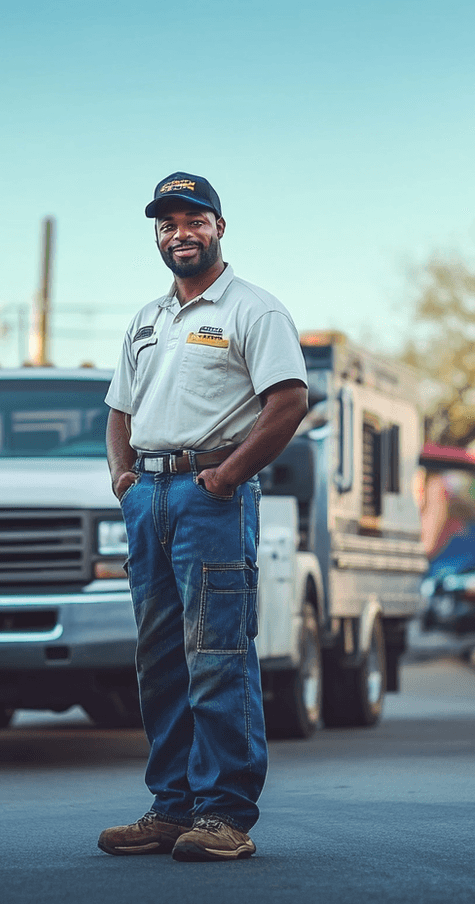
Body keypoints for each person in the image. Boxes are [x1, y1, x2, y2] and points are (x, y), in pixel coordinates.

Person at [99, 172, 308, 862]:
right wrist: (124, 480)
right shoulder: (147, 320)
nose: (180, 234)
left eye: (194, 221)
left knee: (216, 655)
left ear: (219, 227)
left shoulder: (255, 311)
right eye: (167, 225)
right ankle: (172, 809)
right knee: (158, 661)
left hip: (210, 498)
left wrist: (226, 477)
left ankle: (225, 814)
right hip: (148, 501)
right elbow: (119, 413)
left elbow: (287, 403)